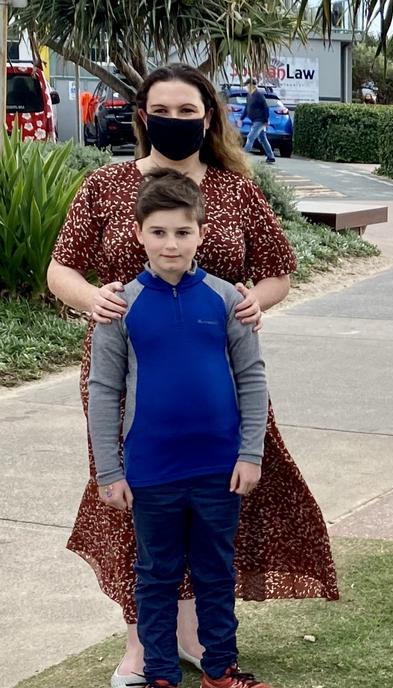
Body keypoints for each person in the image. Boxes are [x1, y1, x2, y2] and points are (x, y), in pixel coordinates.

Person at [47, 63, 339, 688]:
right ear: (141, 116)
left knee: (216, 502)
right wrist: (89, 299)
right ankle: (140, 650)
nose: (175, 122)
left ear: (207, 118)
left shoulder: (236, 191)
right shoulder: (105, 187)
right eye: (163, 111)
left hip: (217, 378)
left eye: (189, 111)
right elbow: (60, 269)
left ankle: (197, 639)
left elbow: (278, 269)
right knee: (138, 507)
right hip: (129, 380)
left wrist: (259, 299)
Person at [89, 170, 273, 688]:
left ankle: (220, 669)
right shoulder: (120, 306)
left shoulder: (227, 300)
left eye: (182, 232)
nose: (171, 243)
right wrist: (110, 469)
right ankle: (162, 675)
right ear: (139, 232)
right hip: (152, 471)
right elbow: (105, 391)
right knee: (156, 576)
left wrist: (250, 454)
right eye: (159, 232)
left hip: (220, 468)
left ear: (201, 232)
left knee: (217, 572)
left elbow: (252, 378)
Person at [242, 79, 275, 164]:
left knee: (250, 137)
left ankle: (242, 157)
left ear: (252, 85)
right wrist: (241, 118)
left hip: (260, 121)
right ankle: (271, 156)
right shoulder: (249, 96)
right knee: (263, 139)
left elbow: (265, 107)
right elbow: (247, 108)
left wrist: (266, 120)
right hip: (255, 120)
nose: (246, 87)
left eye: (247, 85)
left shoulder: (258, 95)